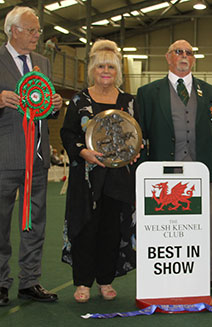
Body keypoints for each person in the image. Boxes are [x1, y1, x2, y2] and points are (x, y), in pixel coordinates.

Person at [136, 39, 212, 296]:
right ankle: (161, 272)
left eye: (189, 52)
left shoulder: (211, 91)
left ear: (193, 59)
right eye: (178, 52)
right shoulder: (148, 93)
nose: (183, 56)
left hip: (201, 169)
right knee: (163, 224)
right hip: (161, 171)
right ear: (168, 58)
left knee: (210, 221)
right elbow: (140, 134)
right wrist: (142, 170)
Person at [60, 39, 137, 303]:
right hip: (87, 178)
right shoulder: (79, 100)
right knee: (85, 229)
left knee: (111, 231)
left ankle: (105, 280)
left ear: (118, 71)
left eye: (111, 67)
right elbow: (68, 134)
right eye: (101, 66)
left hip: (119, 180)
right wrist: (83, 152)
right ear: (92, 69)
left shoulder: (129, 102)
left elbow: (137, 135)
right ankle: (82, 282)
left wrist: (136, 151)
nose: (106, 71)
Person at [0, 6, 63, 306]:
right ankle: (0, 283)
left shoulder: (42, 63)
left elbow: (45, 111)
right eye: (32, 30)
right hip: (5, 157)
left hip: (38, 159)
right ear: (14, 30)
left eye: (38, 30)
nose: (39, 35)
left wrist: (55, 104)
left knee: (35, 223)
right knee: (1, 223)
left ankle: (30, 282)